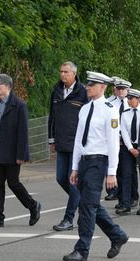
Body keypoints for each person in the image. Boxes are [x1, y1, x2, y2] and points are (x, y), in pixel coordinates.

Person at [63, 71, 128, 261]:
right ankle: (117, 235)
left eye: (92, 85)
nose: (87, 87)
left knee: (87, 207)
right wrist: (74, 167)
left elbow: (113, 143)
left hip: (99, 161)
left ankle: (82, 249)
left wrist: (111, 172)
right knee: (90, 204)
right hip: (84, 161)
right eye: (87, 84)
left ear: (102, 87)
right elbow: (78, 141)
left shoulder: (110, 110)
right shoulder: (84, 109)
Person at [0, 74, 41, 228]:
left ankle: (33, 206)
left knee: (13, 183)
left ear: (6, 86)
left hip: (13, 153)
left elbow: (23, 132)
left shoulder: (18, 105)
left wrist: (21, 154)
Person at [48, 61, 88, 231]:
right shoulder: (57, 90)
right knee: (60, 178)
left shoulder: (83, 92)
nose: (62, 74)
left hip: (77, 144)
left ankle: (68, 219)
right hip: (61, 142)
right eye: (61, 71)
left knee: (73, 182)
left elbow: (88, 119)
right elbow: (52, 115)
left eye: (66, 72)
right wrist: (51, 139)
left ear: (74, 74)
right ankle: (81, 200)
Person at [118, 88, 140, 216]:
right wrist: (130, 148)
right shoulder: (125, 113)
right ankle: (126, 204)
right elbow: (124, 132)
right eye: (128, 98)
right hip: (129, 146)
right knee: (126, 175)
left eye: (131, 99)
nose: (129, 101)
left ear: (138, 100)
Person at [104, 77, 132, 201]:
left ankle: (127, 195)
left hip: (128, 141)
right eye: (118, 89)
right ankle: (113, 191)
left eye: (123, 89)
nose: (121, 92)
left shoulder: (131, 103)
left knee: (125, 170)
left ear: (128, 90)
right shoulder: (110, 103)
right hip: (113, 139)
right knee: (113, 165)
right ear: (115, 90)